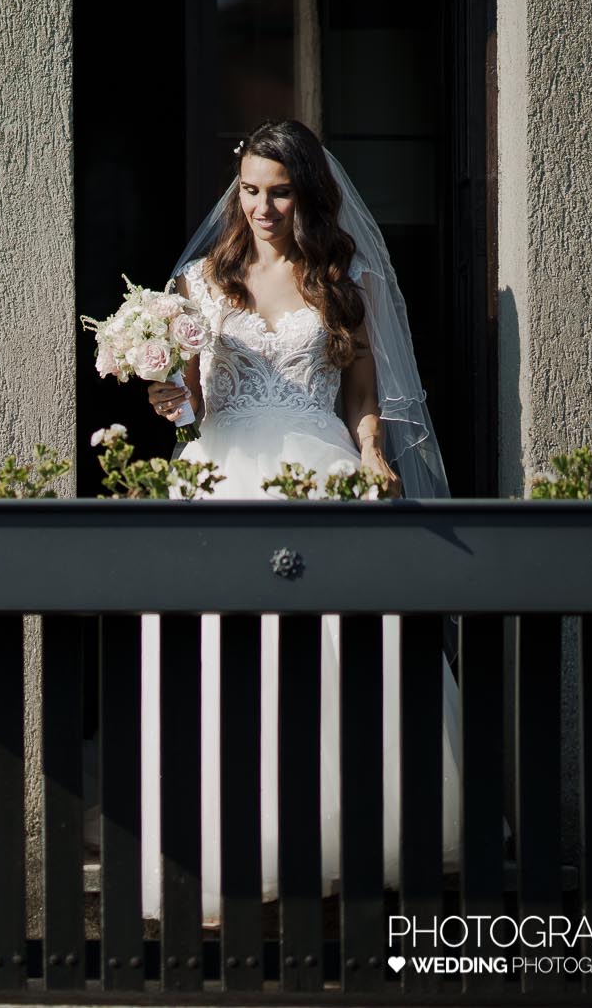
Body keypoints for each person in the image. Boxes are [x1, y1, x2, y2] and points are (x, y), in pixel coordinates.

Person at [137, 119, 462, 916]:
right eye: (250, 190)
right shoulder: (202, 283)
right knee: (220, 655)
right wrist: (167, 393)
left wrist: (375, 452)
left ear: (307, 193)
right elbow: (191, 405)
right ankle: (226, 847)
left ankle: (349, 841)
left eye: (279, 192)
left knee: (339, 654)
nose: (262, 207)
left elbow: (359, 393)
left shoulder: (341, 276)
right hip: (224, 473)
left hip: (320, 469)